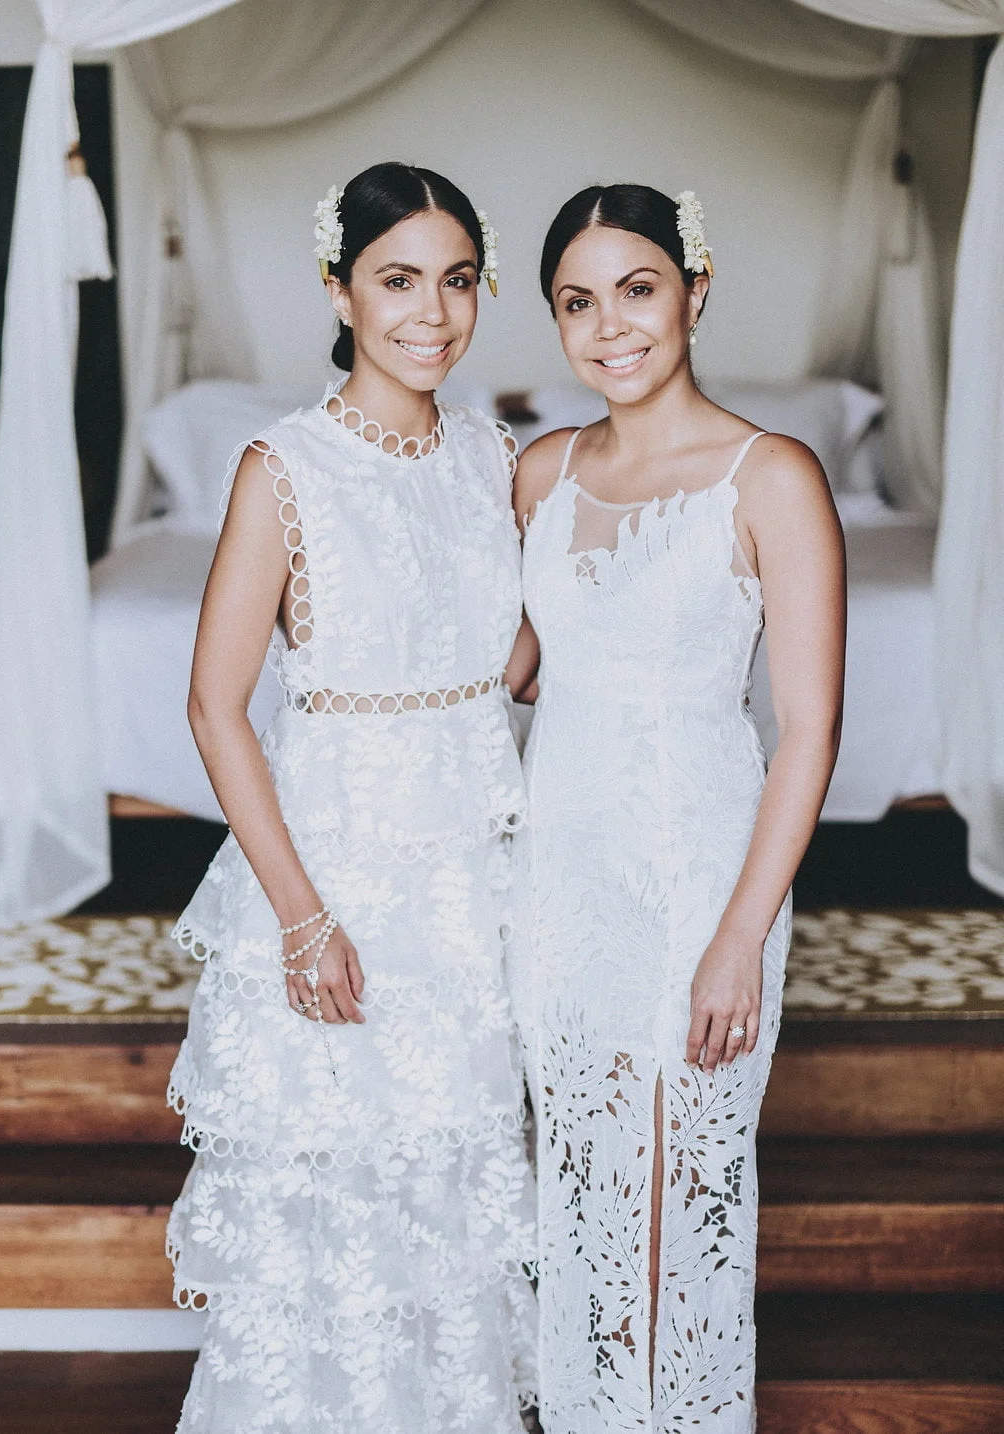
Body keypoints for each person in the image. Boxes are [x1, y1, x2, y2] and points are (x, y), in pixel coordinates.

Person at [167, 162, 536, 1433]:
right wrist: (302, 916)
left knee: (455, 1203)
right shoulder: (284, 469)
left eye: (457, 280)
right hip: (343, 881)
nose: (431, 312)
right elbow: (215, 706)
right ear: (339, 290)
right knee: (337, 1208)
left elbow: (515, 661)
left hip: (474, 885)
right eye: (397, 280)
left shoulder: (495, 456)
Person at [505, 184, 845, 1432]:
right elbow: (516, 670)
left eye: (637, 289)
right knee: (580, 1186)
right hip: (558, 876)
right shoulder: (540, 472)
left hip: (697, 876)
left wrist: (739, 935)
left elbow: (809, 729)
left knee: (678, 1184)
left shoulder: (771, 476)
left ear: (694, 291)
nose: (610, 326)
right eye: (577, 302)